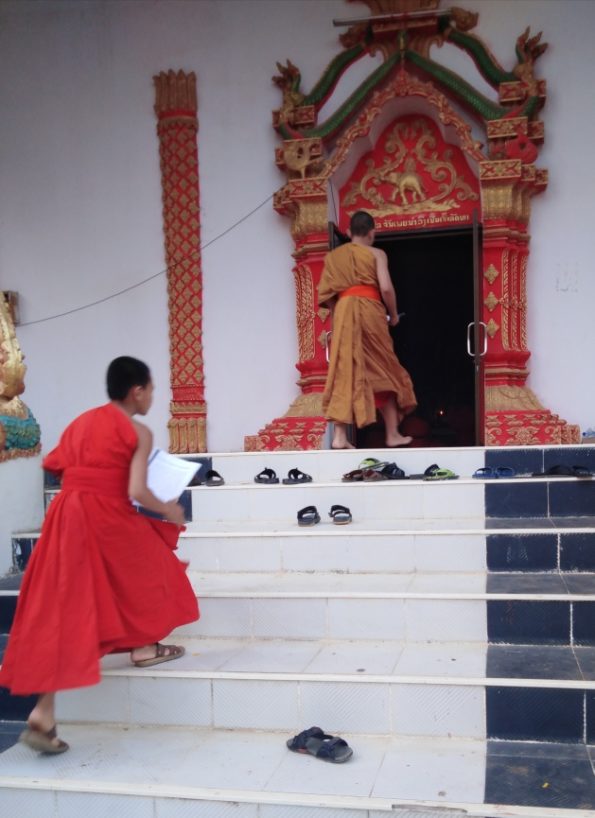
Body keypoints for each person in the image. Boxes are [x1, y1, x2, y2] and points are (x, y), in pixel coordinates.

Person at [0, 356, 199, 754]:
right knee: (159, 571)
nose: (152, 397)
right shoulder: (136, 431)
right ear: (136, 390)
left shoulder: (81, 422)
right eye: (151, 389)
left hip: (66, 516)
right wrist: (170, 510)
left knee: (68, 605)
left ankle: (44, 712)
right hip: (106, 515)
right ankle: (144, 646)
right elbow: (138, 490)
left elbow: (56, 464)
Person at [318, 210, 417, 449]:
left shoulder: (333, 257)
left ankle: (339, 437)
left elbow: (327, 294)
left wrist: (341, 312)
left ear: (350, 232)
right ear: (373, 232)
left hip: (343, 314)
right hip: (371, 312)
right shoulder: (377, 253)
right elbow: (386, 288)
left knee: (344, 370)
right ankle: (392, 434)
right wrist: (393, 315)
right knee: (385, 369)